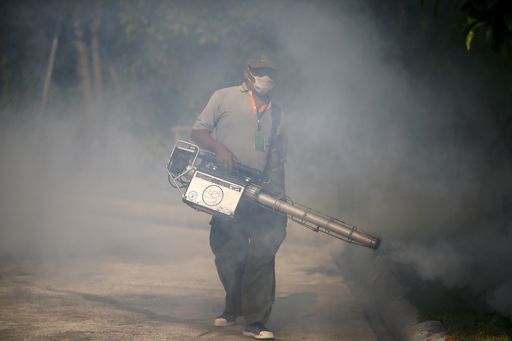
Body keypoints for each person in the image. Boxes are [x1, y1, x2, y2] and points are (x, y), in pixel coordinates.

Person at [190, 51, 287, 340]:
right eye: (260, 71)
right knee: (226, 250)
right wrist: (219, 148)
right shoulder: (223, 97)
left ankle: (256, 321)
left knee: (262, 252)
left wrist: (281, 198)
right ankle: (233, 305)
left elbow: (278, 158)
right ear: (247, 72)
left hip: (261, 193)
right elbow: (198, 132)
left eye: (270, 72)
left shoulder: (278, 112)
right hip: (225, 187)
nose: (266, 77)